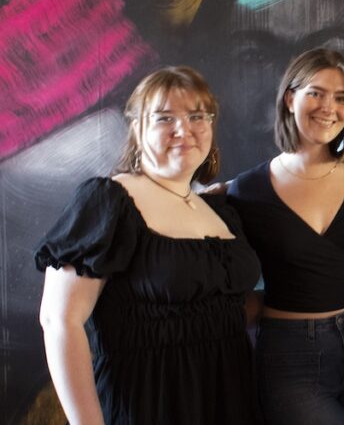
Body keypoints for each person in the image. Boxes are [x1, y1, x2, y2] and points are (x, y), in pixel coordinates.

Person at [35, 66, 261, 424]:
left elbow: (228, 309)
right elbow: (59, 320)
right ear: (138, 129)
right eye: (164, 118)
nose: (183, 129)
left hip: (231, 399)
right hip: (149, 403)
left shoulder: (220, 209)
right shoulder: (109, 201)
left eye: (197, 116)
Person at [227, 48, 344, 424]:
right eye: (316, 93)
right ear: (290, 98)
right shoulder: (245, 192)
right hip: (291, 355)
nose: (329, 107)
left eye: (341, 99)